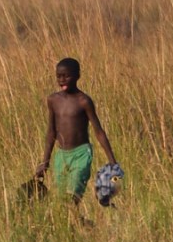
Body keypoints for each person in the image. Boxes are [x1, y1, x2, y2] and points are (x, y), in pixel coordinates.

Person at [35, 58, 117, 207]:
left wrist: (112, 161)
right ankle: (80, 226)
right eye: (59, 76)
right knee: (62, 201)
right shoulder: (53, 100)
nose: (62, 80)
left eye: (67, 76)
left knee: (73, 197)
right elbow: (51, 132)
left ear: (78, 76)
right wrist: (45, 162)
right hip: (61, 156)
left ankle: (77, 223)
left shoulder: (84, 101)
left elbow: (99, 131)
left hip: (81, 154)